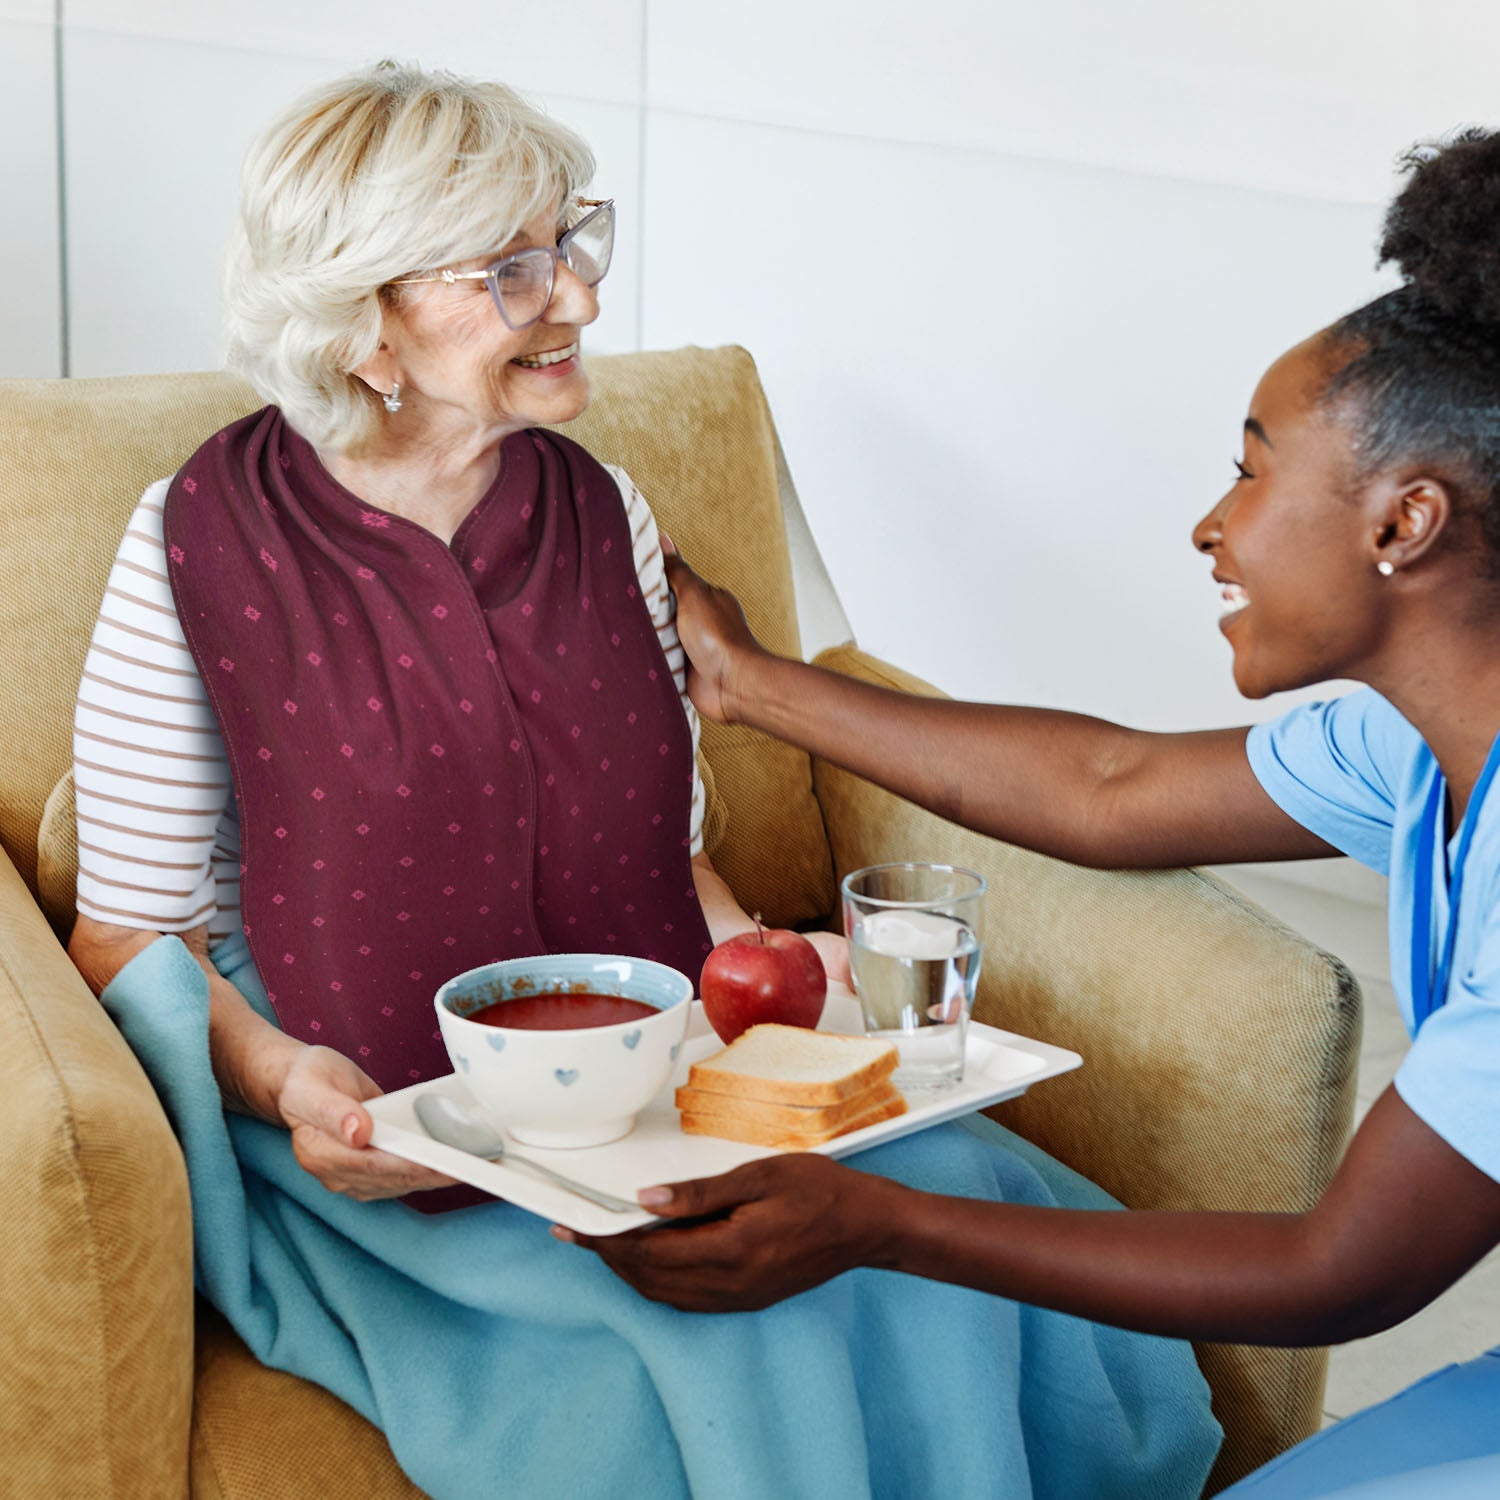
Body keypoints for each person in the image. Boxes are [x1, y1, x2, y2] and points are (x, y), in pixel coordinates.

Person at [64, 63, 1220, 1500]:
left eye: (574, 243)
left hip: (672, 1072)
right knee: (737, 1332)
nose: (582, 301)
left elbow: (667, 860)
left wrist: (769, 975)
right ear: (367, 327)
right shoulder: (192, 542)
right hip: (412, 1123)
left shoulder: (602, 507)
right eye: (515, 271)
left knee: (956, 1232)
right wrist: (288, 1080)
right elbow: (131, 935)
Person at [562, 130, 1500, 1498]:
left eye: (1251, 469)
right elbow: (1107, 789)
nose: (1210, 527)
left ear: (1403, 523)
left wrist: (874, 1221)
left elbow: (1337, 1269)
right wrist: (754, 688)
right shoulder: (1416, 740)